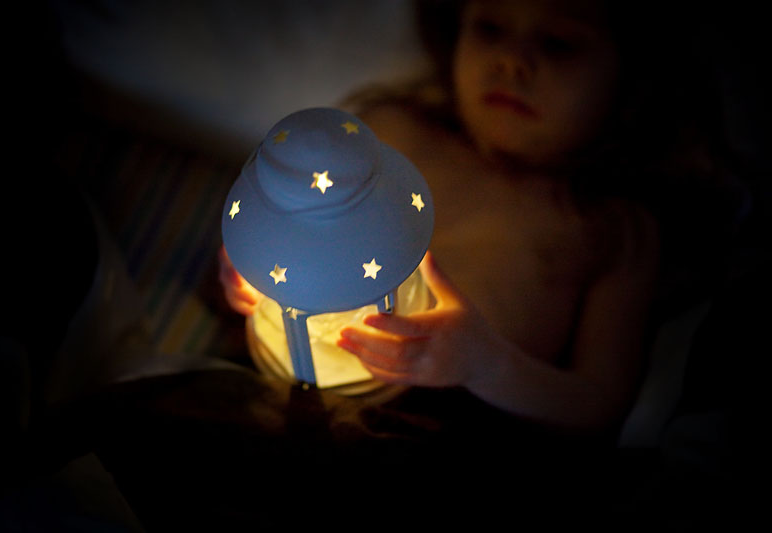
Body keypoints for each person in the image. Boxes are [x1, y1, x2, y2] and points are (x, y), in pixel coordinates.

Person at [218, 0, 745, 437]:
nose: (511, 61)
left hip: (433, 439)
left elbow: (601, 406)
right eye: (490, 28)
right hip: (261, 396)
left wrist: (487, 365)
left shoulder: (612, 229)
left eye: (558, 43)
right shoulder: (388, 135)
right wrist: (250, 261)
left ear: (631, 72)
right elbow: (275, 209)